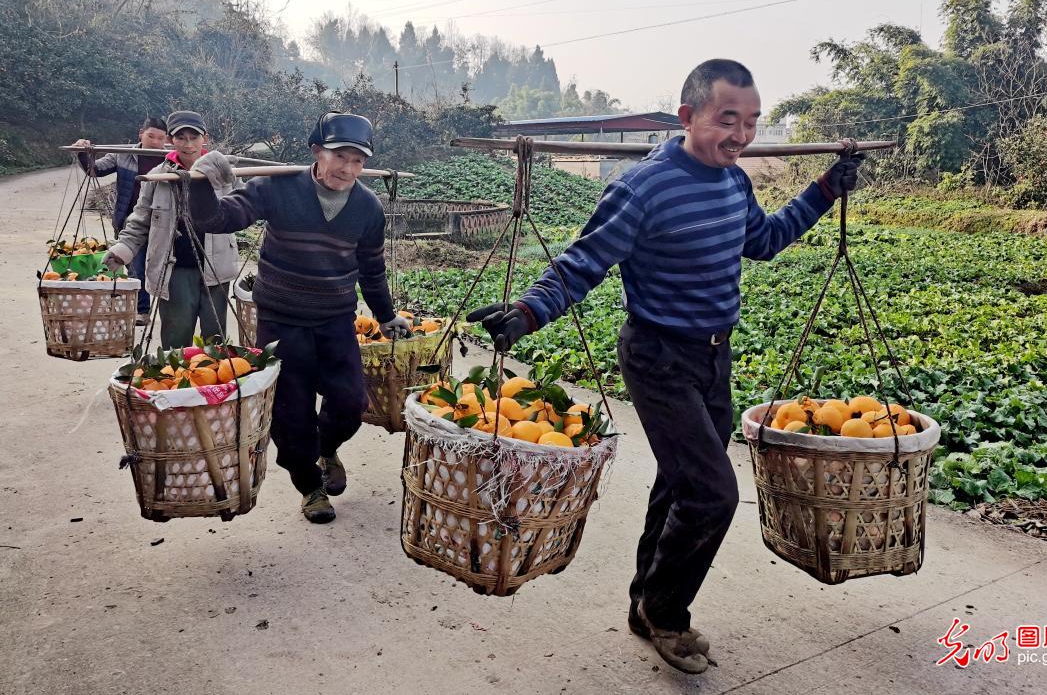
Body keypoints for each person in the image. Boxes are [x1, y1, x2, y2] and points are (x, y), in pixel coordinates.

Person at [467, 60, 864, 675]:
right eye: (727, 120)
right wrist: (527, 311)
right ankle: (667, 613)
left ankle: (643, 605)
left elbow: (762, 241)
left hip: (714, 355)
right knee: (712, 494)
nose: (741, 135)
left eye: (751, 122)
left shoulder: (734, 182)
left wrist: (824, 191)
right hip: (658, 357)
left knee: (682, 484)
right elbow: (584, 261)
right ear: (688, 117)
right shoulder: (644, 188)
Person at [185, 112, 411, 524]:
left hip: (335, 318)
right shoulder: (276, 187)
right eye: (339, 156)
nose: (348, 169)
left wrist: (386, 315)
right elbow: (216, 220)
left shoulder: (367, 207)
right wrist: (201, 180)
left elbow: (372, 269)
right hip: (281, 320)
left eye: (358, 160)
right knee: (291, 412)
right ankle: (310, 486)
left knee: (350, 402)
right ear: (316, 152)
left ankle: (327, 448)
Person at [104, 110, 239, 348]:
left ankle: (215, 373)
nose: (188, 145)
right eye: (181, 138)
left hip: (216, 267)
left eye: (194, 137)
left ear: (205, 138)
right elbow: (140, 219)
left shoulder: (224, 173)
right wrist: (123, 249)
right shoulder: (158, 177)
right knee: (176, 340)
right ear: (170, 140)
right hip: (175, 270)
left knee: (215, 342)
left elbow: (243, 208)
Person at [73, 117, 169, 324]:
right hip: (133, 221)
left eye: (160, 138)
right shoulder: (124, 155)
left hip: (165, 221)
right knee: (136, 267)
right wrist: (83, 151)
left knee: (168, 266)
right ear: (141, 133)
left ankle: (171, 312)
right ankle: (142, 310)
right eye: (151, 136)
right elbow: (94, 170)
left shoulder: (170, 159)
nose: (155, 142)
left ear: (167, 139)